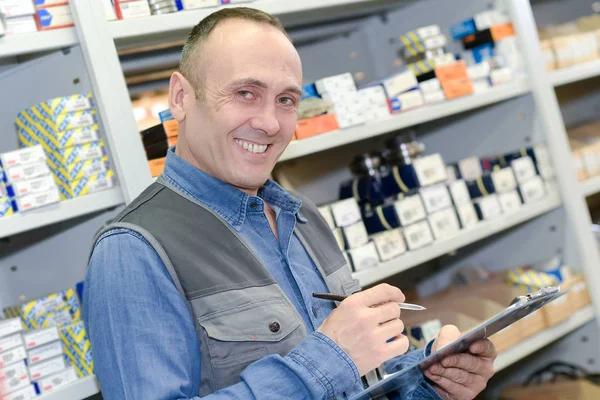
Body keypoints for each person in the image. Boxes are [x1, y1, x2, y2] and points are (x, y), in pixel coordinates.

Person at [83, 8, 496, 400]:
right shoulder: (133, 251)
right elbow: (333, 363)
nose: (269, 123)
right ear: (181, 98)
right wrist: (329, 358)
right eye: (245, 93)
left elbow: (356, 381)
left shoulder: (301, 217)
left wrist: (428, 381)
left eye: (286, 100)